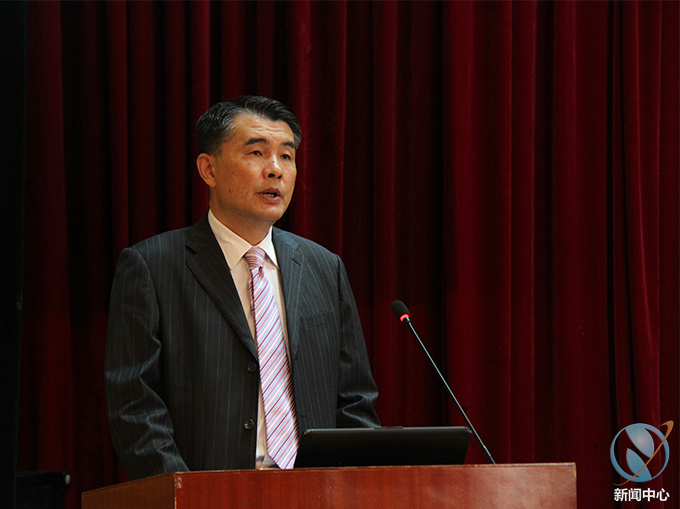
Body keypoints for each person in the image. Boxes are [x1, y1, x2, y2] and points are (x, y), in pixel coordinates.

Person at [105, 96, 380, 480]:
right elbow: (134, 404)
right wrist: (188, 495)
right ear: (209, 169)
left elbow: (355, 401)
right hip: (207, 494)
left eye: (286, 156)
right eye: (256, 152)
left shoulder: (324, 267)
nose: (275, 170)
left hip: (314, 492)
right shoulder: (152, 266)